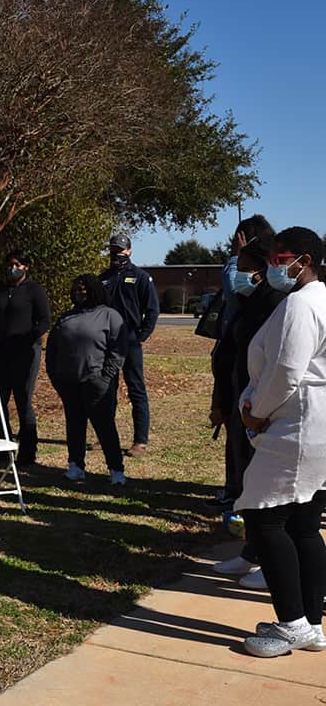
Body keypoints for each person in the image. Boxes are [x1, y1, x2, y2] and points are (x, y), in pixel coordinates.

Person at [233, 227, 326, 657]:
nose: (273, 265)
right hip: (314, 421)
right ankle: (309, 620)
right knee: (304, 522)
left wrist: (258, 411)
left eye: (279, 258)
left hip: (296, 421)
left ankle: (291, 623)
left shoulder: (301, 304)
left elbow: (288, 369)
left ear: (303, 260)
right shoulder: (322, 299)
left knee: (261, 514)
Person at [208, 231, 282, 585]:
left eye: (243, 268)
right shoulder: (249, 301)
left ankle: (272, 562)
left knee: (268, 491)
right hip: (243, 400)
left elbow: (282, 366)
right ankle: (251, 551)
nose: (238, 275)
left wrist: (261, 410)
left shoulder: (277, 304)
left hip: (264, 409)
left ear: (263, 269)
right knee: (248, 483)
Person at [45, 275, 127, 485]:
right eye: (76, 289)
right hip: (68, 381)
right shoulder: (66, 318)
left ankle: (116, 470)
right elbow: (52, 347)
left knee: (104, 426)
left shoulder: (110, 316)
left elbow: (118, 350)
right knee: (74, 424)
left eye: (83, 289)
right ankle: (75, 466)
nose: (79, 293)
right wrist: (55, 376)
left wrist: (105, 376)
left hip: (97, 381)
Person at [0, 249, 50, 465]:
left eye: (17, 264)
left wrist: (28, 339)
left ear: (26, 267)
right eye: (9, 264)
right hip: (0, 354)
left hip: (25, 354)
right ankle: (1, 448)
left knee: (23, 400)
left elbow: (44, 321)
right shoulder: (0, 292)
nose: (12, 268)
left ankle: (27, 452)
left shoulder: (35, 291)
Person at [99, 234, 160, 457]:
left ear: (130, 251)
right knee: (106, 390)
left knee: (136, 390)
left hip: (130, 342)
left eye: (121, 250)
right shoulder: (103, 278)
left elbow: (152, 310)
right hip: (107, 343)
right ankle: (106, 436)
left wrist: (141, 336)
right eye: (113, 250)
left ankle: (140, 441)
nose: (117, 254)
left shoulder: (141, 277)